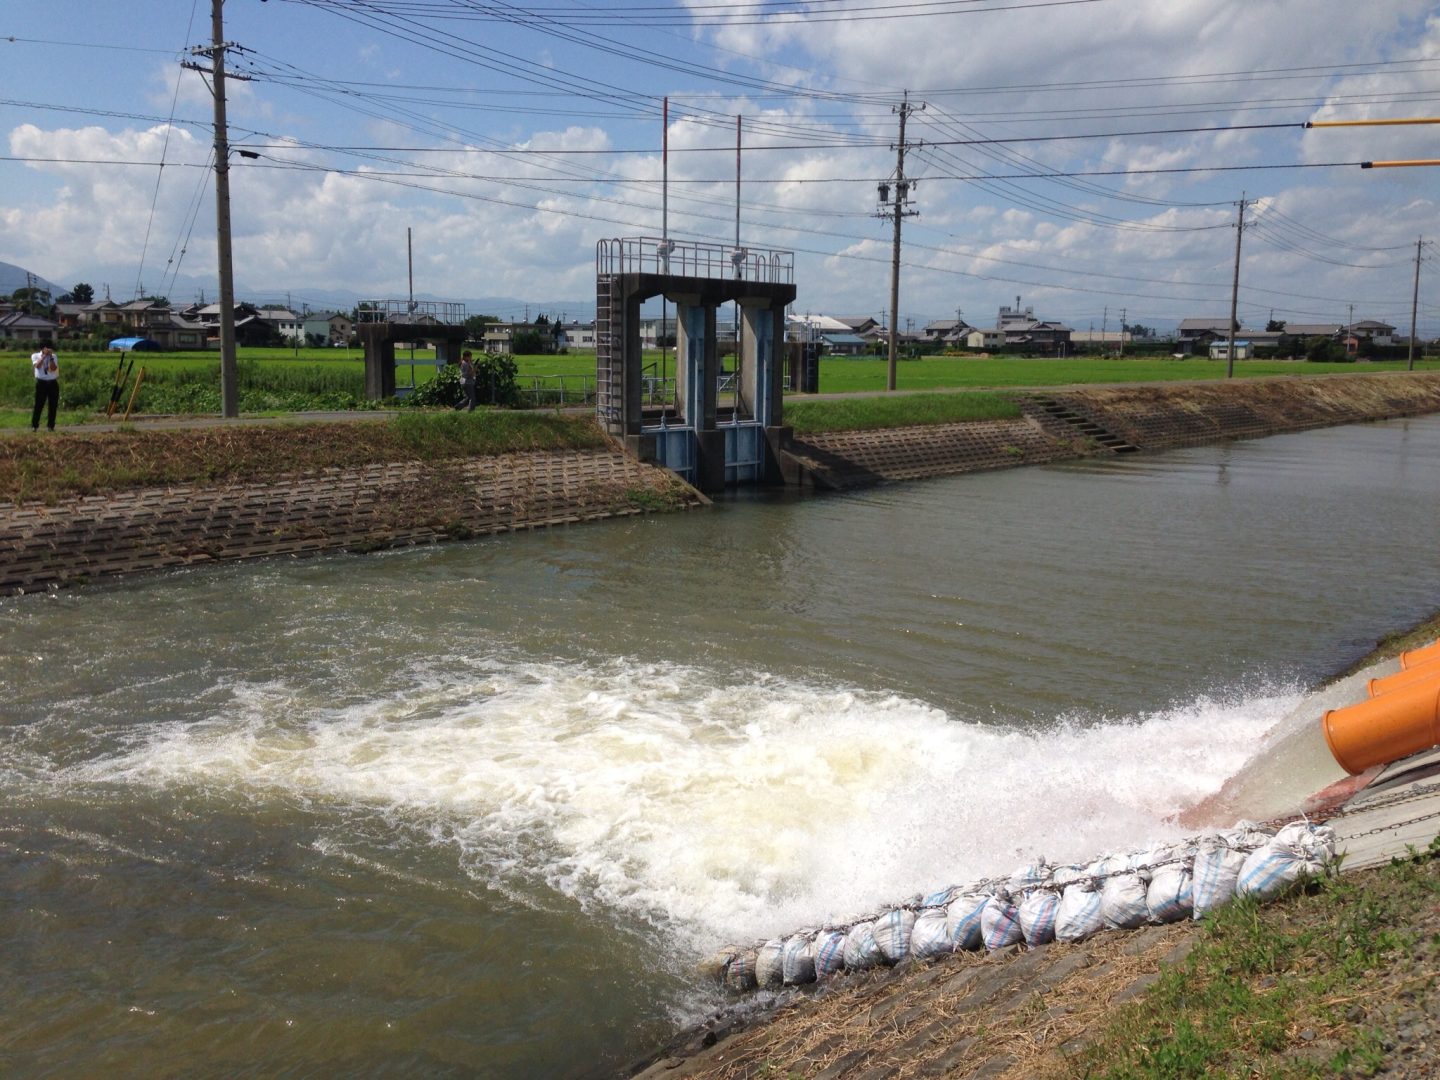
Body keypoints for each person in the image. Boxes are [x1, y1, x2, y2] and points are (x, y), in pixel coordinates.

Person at [30, 343, 59, 432]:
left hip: (52, 383)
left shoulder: (53, 356)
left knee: (53, 405)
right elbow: (37, 366)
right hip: (41, 383)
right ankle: (35, 426)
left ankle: (51, 426)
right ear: (42, 348)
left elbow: (54, 368)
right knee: (39, 405)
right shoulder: (35, 355)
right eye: (46, 348)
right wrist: (43, 356)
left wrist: (50, 357)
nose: (48, 350)